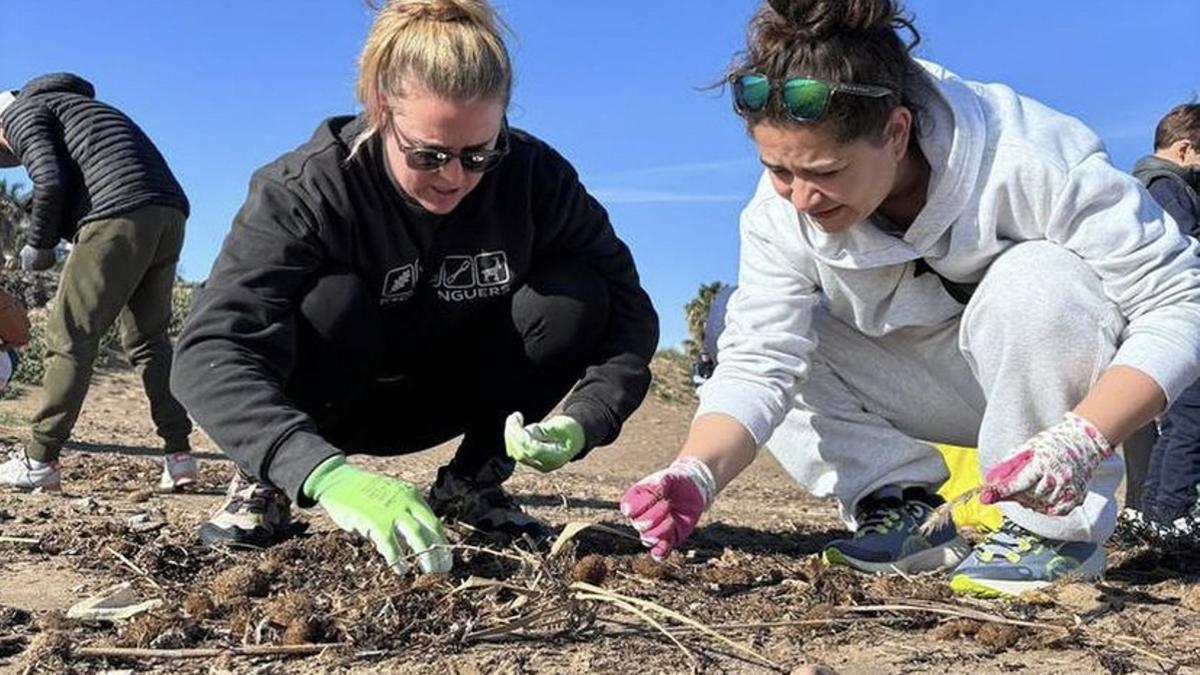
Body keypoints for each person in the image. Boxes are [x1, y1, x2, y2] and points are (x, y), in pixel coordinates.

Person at [621, 0, 1200, 598]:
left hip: (1052, 396)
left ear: (896, 132)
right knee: (739, 314)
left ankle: (1051, 535)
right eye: (778, 170)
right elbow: (760, 361)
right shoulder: (778, 215)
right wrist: (696, 471)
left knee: (1038, 277)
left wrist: (1085, 434)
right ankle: (902, 505)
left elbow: (1180, 302)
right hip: (914, 385)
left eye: (826, 171)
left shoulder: (1027, 154)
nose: (801, 199)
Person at [171, 0, 658, 574]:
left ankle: (473, 483)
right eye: (428, 154)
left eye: (480, 153)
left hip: (449, 397)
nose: (455, 176)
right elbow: (211, 348)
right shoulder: (308, 188)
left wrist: (589, 415)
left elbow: (628, 309)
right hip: (331, 403)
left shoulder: (537, 179)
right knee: (329, 299)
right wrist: (315, 469)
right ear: (381, 111)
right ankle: (265, 483)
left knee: (576, 295)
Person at [0, 75, 197, 493]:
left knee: (70, 334)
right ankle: (179, 456)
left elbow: (50, 178)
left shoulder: (18, 113)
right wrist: (31, 209)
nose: (9, 158)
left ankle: (40, 458)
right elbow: (73, 175)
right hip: (168, 213)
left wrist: (39, 245)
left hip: (117, 214)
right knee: (149, 341)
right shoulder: (82, 110)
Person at [1129, 103, 1200, 534]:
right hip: (1171, 322)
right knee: (1189, 418)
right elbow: (1183, 251)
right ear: (1186, 148)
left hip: (1164, 322)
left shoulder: (1158, 186)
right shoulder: (1164, 188)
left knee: (1183, 421)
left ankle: (1156, 513)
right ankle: (1167, 516)